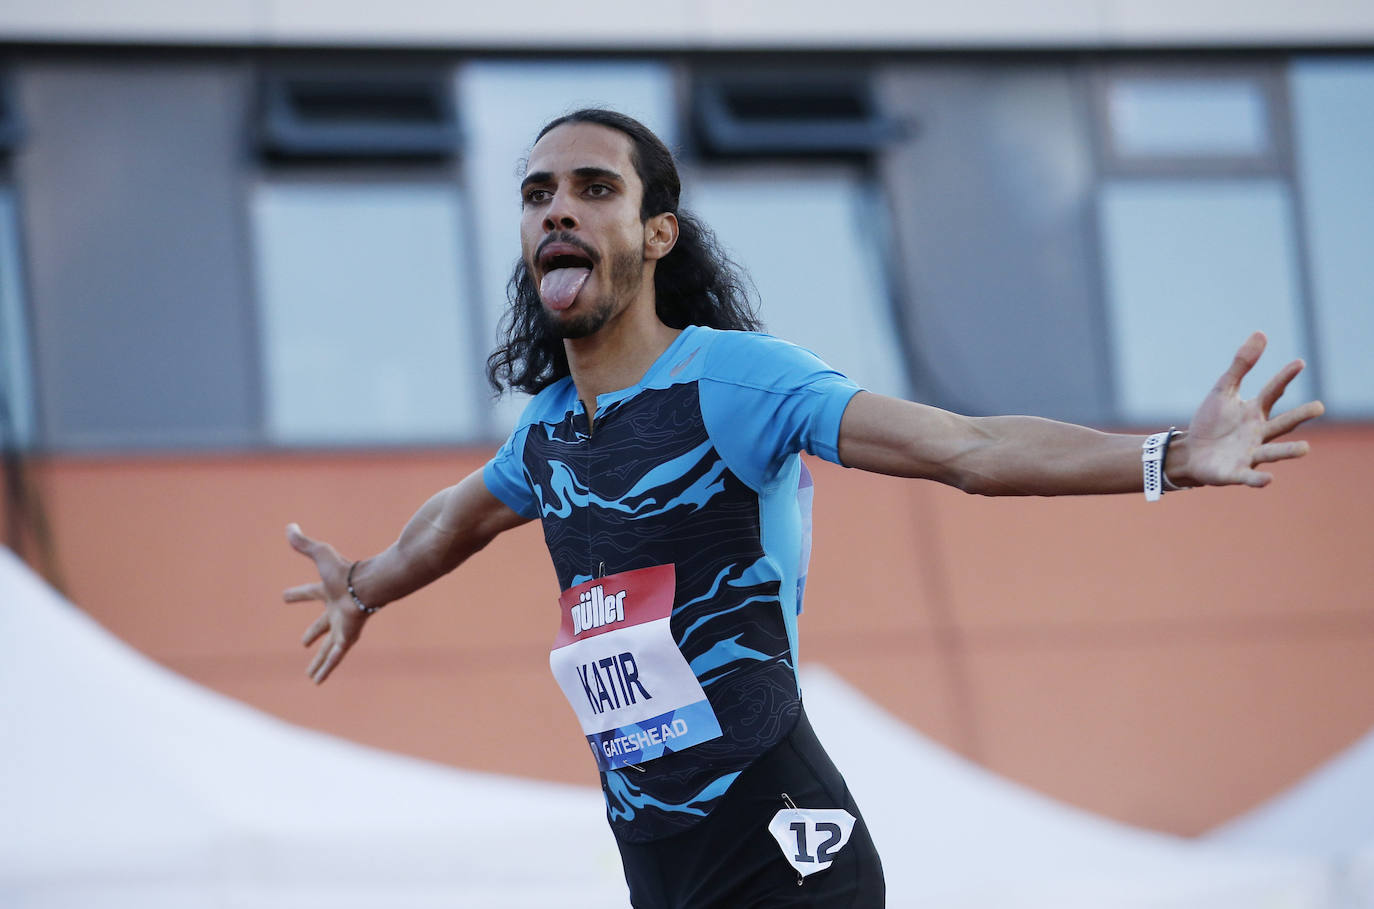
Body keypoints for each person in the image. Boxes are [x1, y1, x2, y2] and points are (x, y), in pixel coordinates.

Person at [283, 109, 1324, 908]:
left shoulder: (736, 384)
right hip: (657, 861)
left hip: (780, 840)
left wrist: (1174, 456)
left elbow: (964, 448)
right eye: (538, 192)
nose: (557, 208)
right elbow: (454, 521)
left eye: (593, 189)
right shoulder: (550, 431)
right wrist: (364, 585)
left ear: (655, 235)